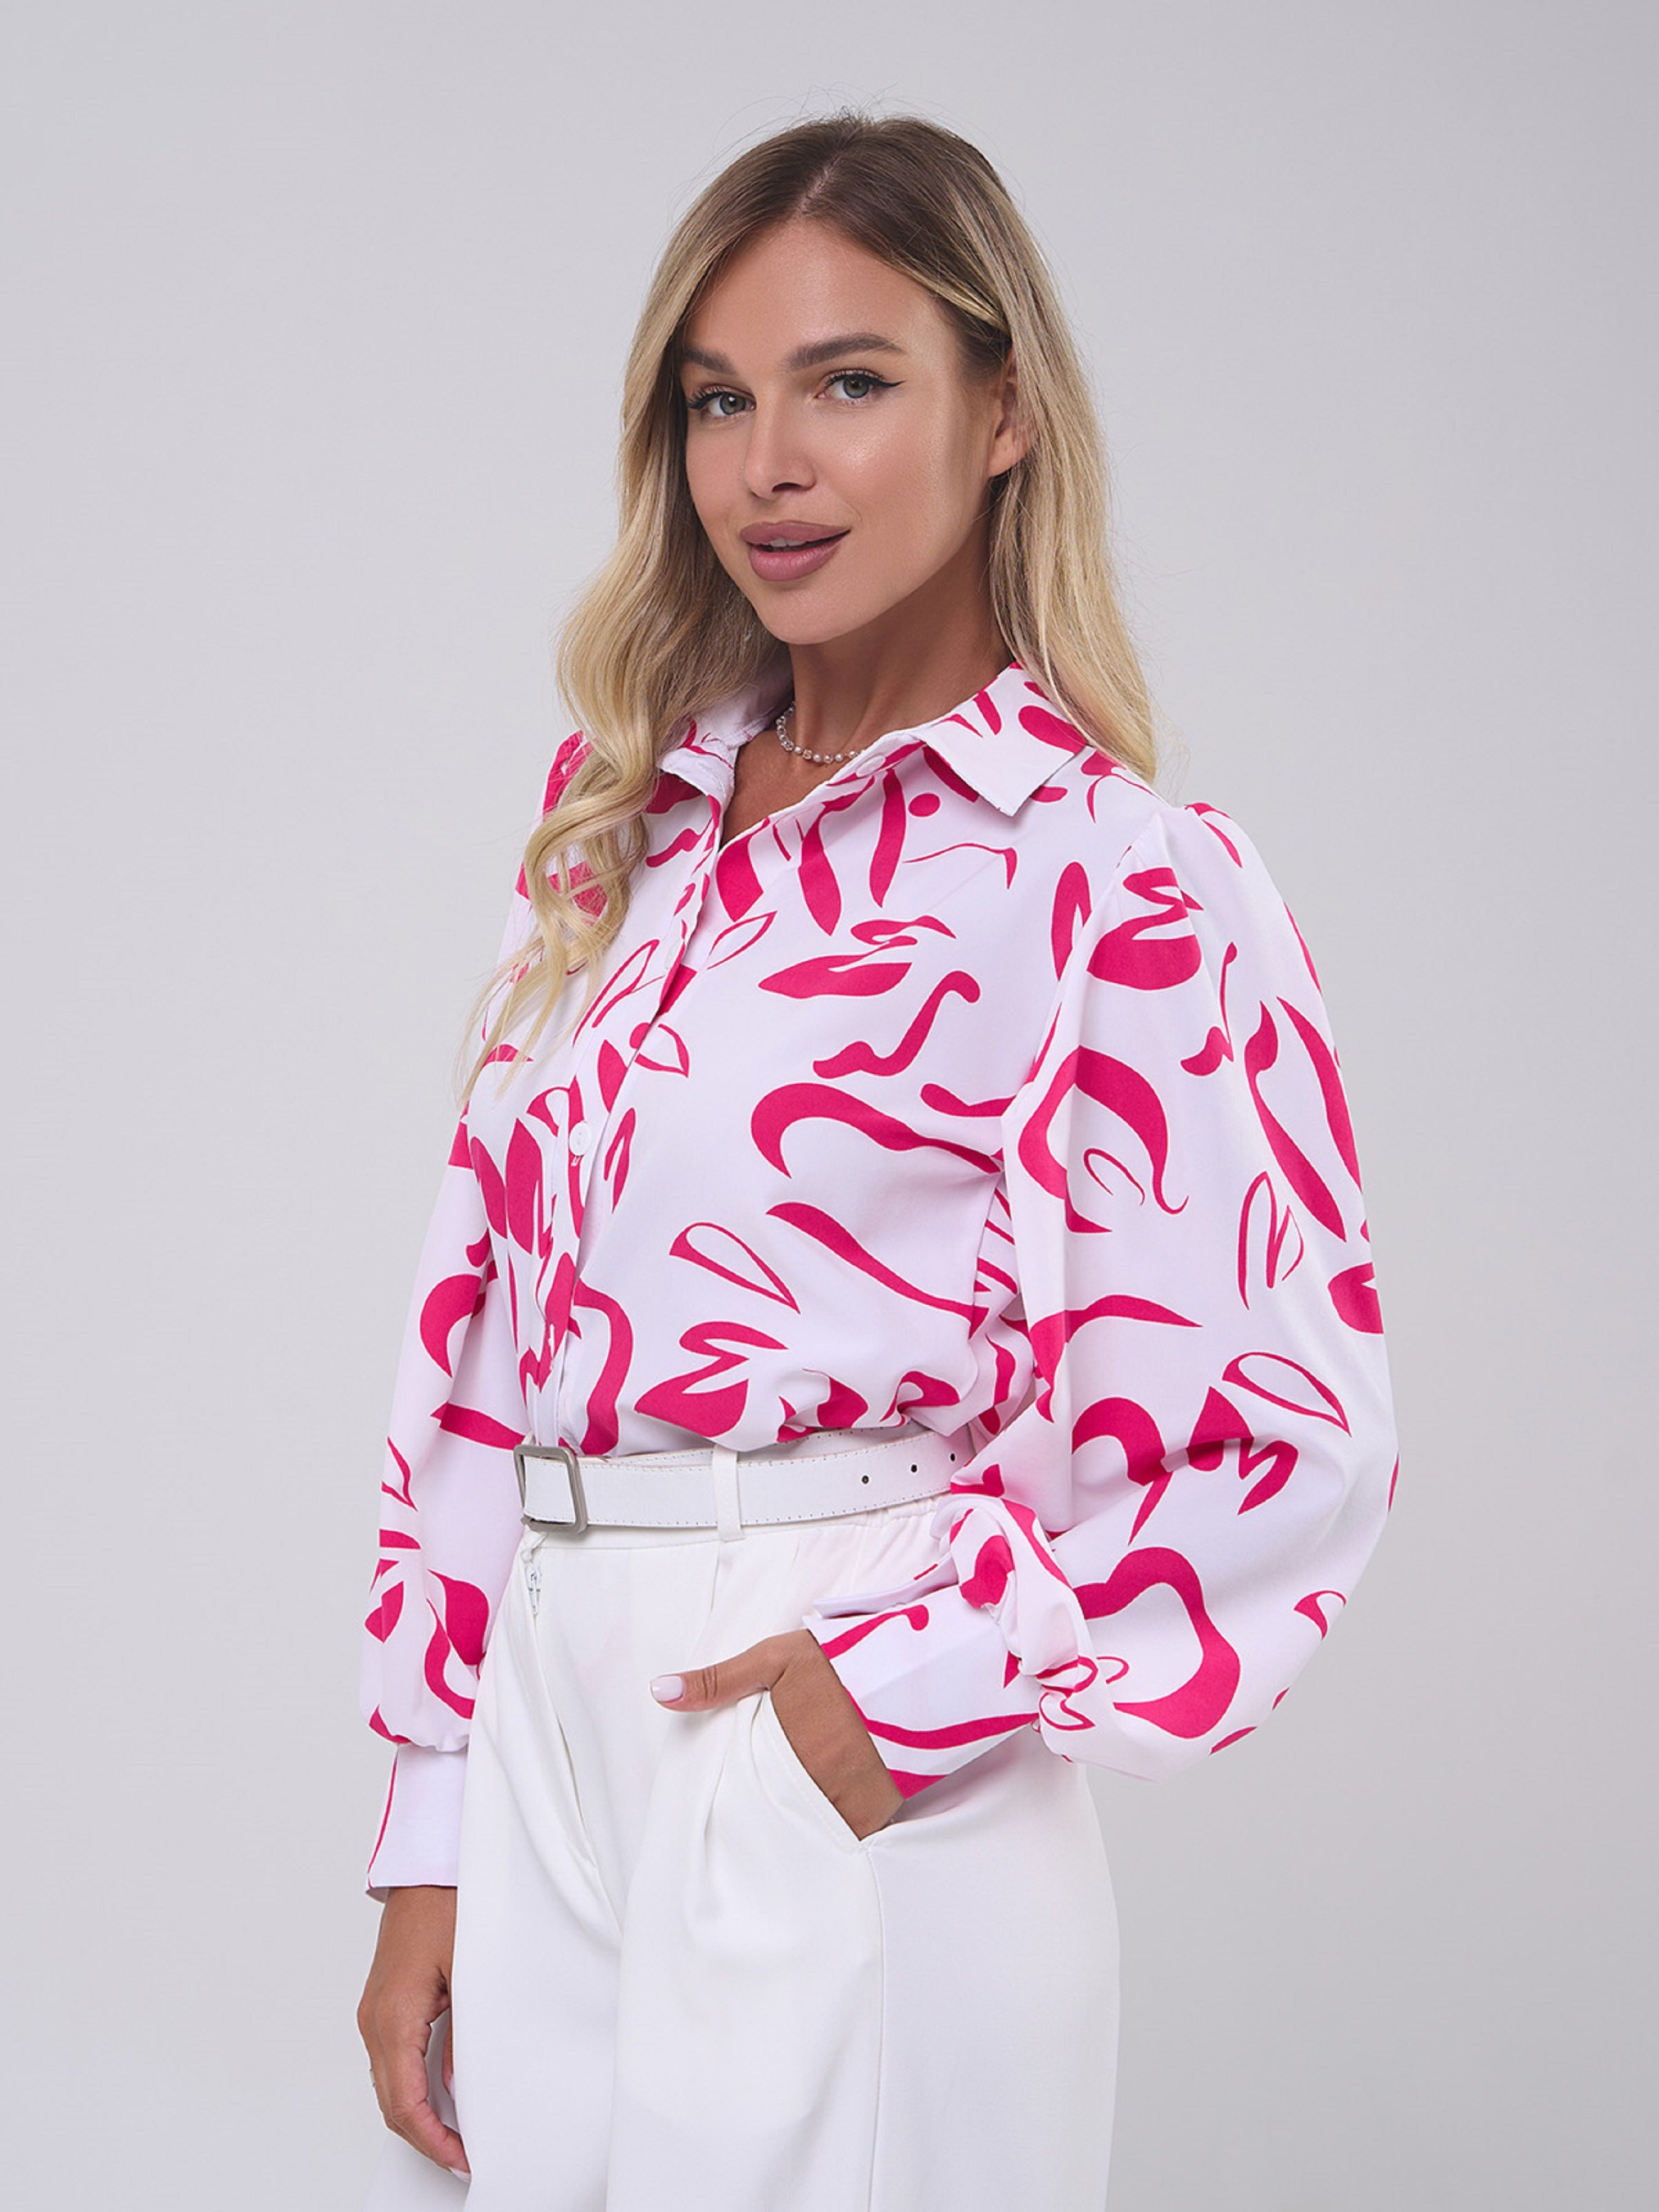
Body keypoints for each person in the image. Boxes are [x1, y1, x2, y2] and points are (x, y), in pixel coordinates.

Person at [354, 111, 1395, 2212]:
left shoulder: (1115, 877)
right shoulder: (623, 833)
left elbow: (1287, 1425)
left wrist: (889, 1704)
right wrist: (432, 1821)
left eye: (846, 382)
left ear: (1000, 412)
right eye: (715, 401)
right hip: (552, 1713)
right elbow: (477, 1345)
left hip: (837, 1715)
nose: (769, 465)